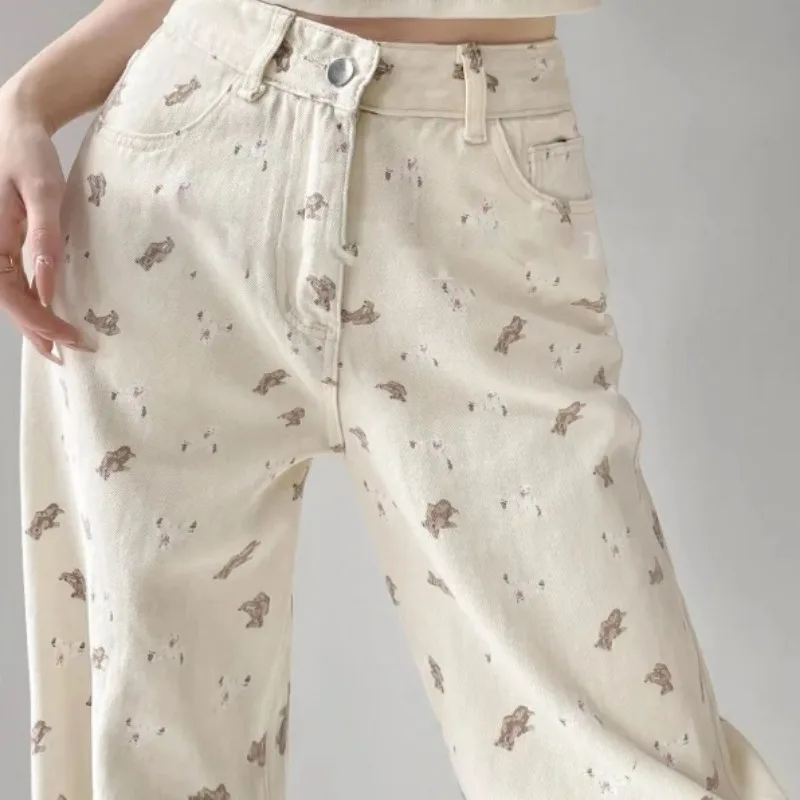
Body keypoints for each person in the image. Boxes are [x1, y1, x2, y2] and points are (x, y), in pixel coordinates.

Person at [0, 0, 789, 798]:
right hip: (182, 168)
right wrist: (31, 97)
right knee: (145, 759)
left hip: (475, 167)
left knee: (628, 760)